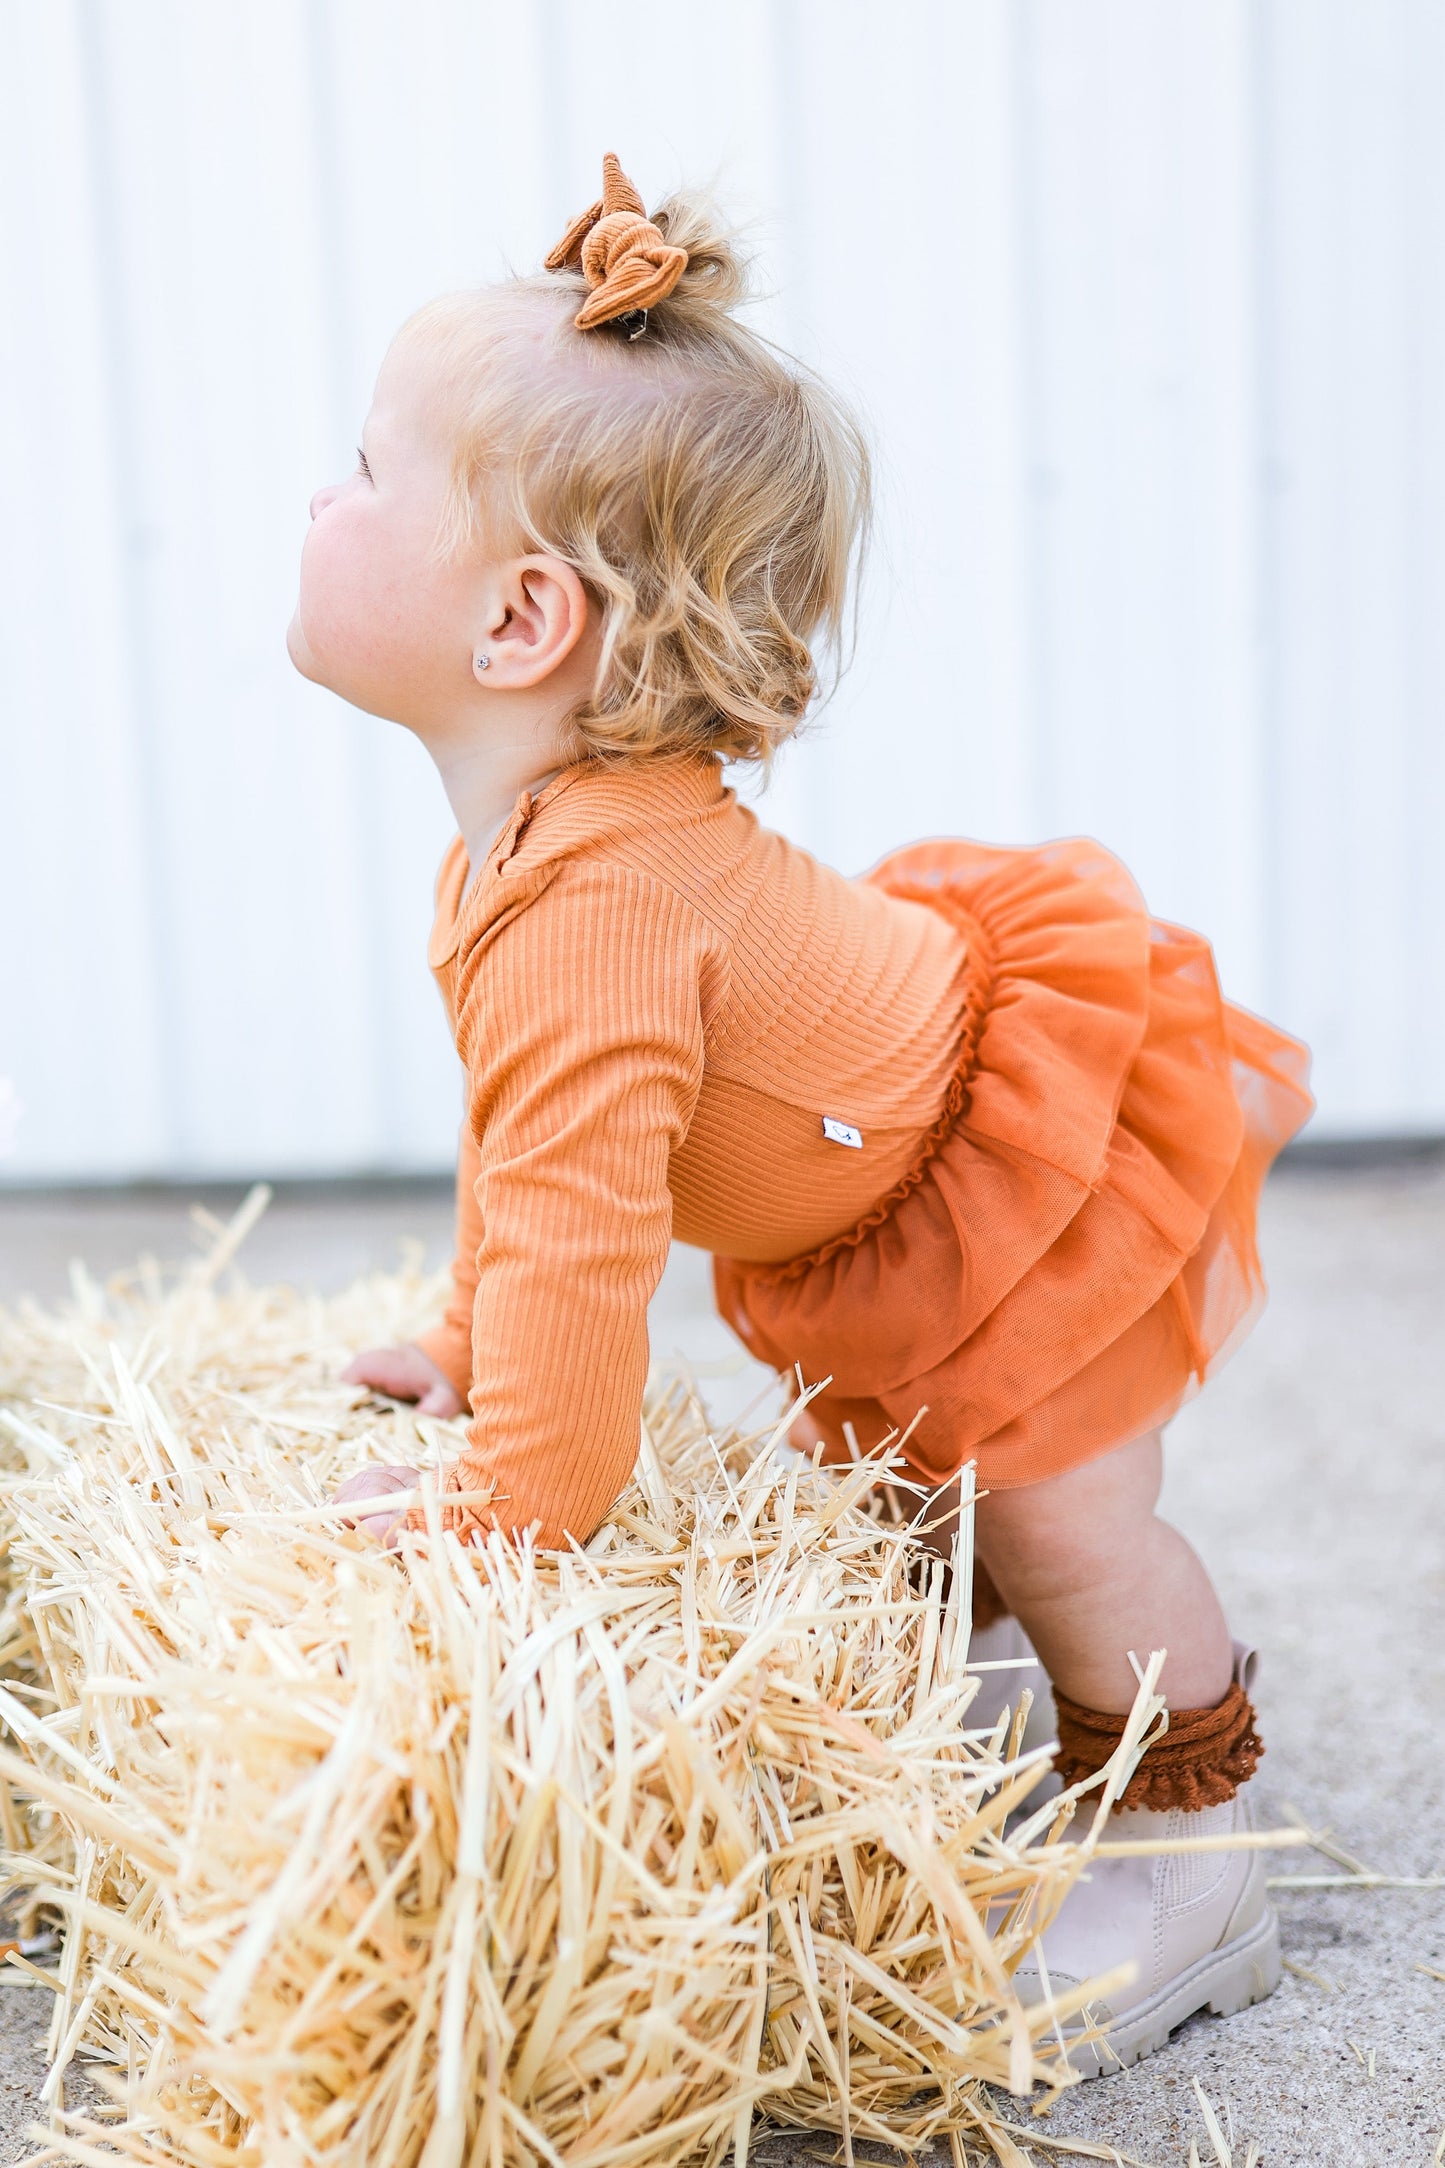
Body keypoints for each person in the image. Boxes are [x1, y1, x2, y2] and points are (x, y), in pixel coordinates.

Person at [290, 155, 1312, 2075]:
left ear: (519, 623)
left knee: (1066, 1510)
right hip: (863, 1161)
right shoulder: (533, 862)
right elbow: (536, 1172)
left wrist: (502, 1519)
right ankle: (970, 1676)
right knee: (902, 1496)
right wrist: (460, 1331)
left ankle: (1194, 1850)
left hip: (1010, 1165)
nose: (313, 499)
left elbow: (587, 1283)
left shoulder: (592, 909)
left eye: (356, 469)